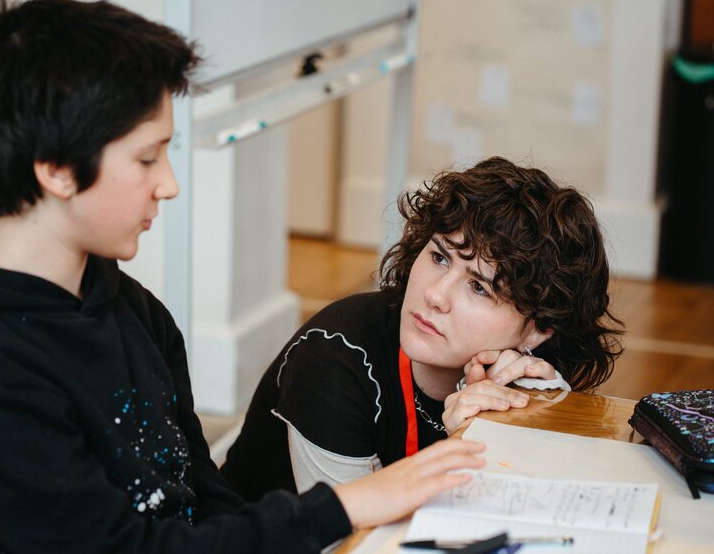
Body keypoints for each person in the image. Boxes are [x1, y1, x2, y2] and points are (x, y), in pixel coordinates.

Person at [0, 0, 486, 554]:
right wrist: (344, 506)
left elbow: (202, 496)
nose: (169, 184)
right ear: (55, 169)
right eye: (147, 158)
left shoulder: (130, 308)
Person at [220, 157, 624, 501]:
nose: (435, 295)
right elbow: (355, 544)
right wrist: (462, 447)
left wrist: (539, 413)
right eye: (439, 257)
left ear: (539, 330)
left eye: (478, 287)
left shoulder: (527, 378)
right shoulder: (332, 362)